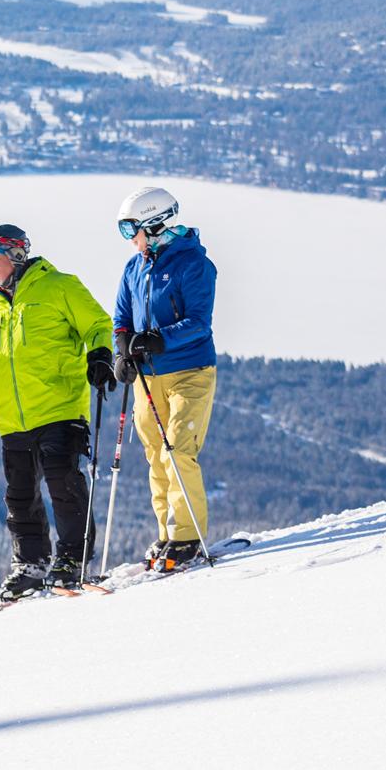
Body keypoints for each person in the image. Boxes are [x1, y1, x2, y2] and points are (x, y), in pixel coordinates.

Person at [0, 224, 115, 600]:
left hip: (60, 405)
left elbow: (98, 324)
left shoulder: (60, 286)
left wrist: (100, 355)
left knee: (62, 482)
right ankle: (30, 563)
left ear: (16, 254)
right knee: (19, 494)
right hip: (13, 416)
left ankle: (72, 558)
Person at [111, 185, 219, 571]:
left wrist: (158, 339)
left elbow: (198, 323)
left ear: (155, 224)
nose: (131, 240)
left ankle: (187, 534)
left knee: (178, 449)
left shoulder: (194, 265)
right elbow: (121, 319)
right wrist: (122, 352)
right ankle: (167, 533)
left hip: (190, 370)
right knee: (156, 455)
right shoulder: (134, 267)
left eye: (132, 230)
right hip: (148, 377)